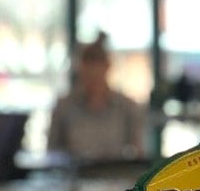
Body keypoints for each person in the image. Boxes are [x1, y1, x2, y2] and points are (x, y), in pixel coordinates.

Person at [47, 32, 146, 161]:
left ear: (107, 68)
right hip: (74, 172)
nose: (93, 79)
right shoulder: (64, 107)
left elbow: (139, 153)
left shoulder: (126, 107)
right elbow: (52, 153)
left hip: (114, 172)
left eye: (97, 73)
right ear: (81, 70)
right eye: (88, 74)